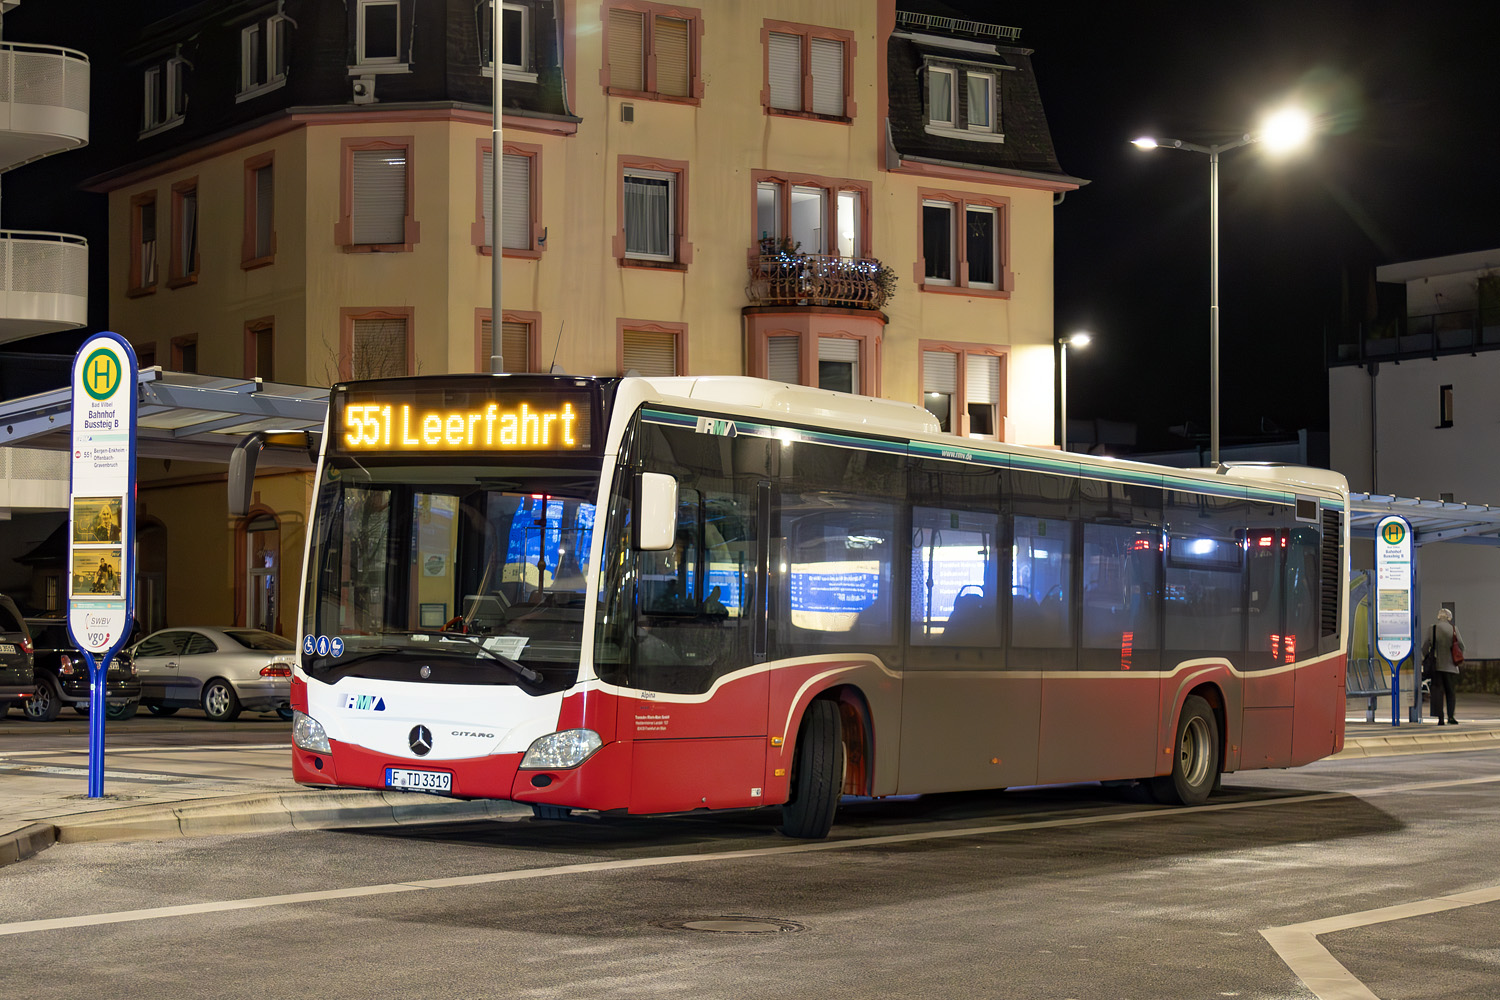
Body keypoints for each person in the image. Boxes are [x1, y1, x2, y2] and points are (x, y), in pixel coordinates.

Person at [1422, 607, 1465, 725]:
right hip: (1451, 666)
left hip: (1437, 666)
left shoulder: (1432, 629)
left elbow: (1425, 646)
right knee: (1451, 693)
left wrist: (1427, 657)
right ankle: (1451, 717)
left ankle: (1440, 718)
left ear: (1438, 617)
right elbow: (1461, 646)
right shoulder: (1453, 629)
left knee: (1437, 692)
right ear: (1449, 617)